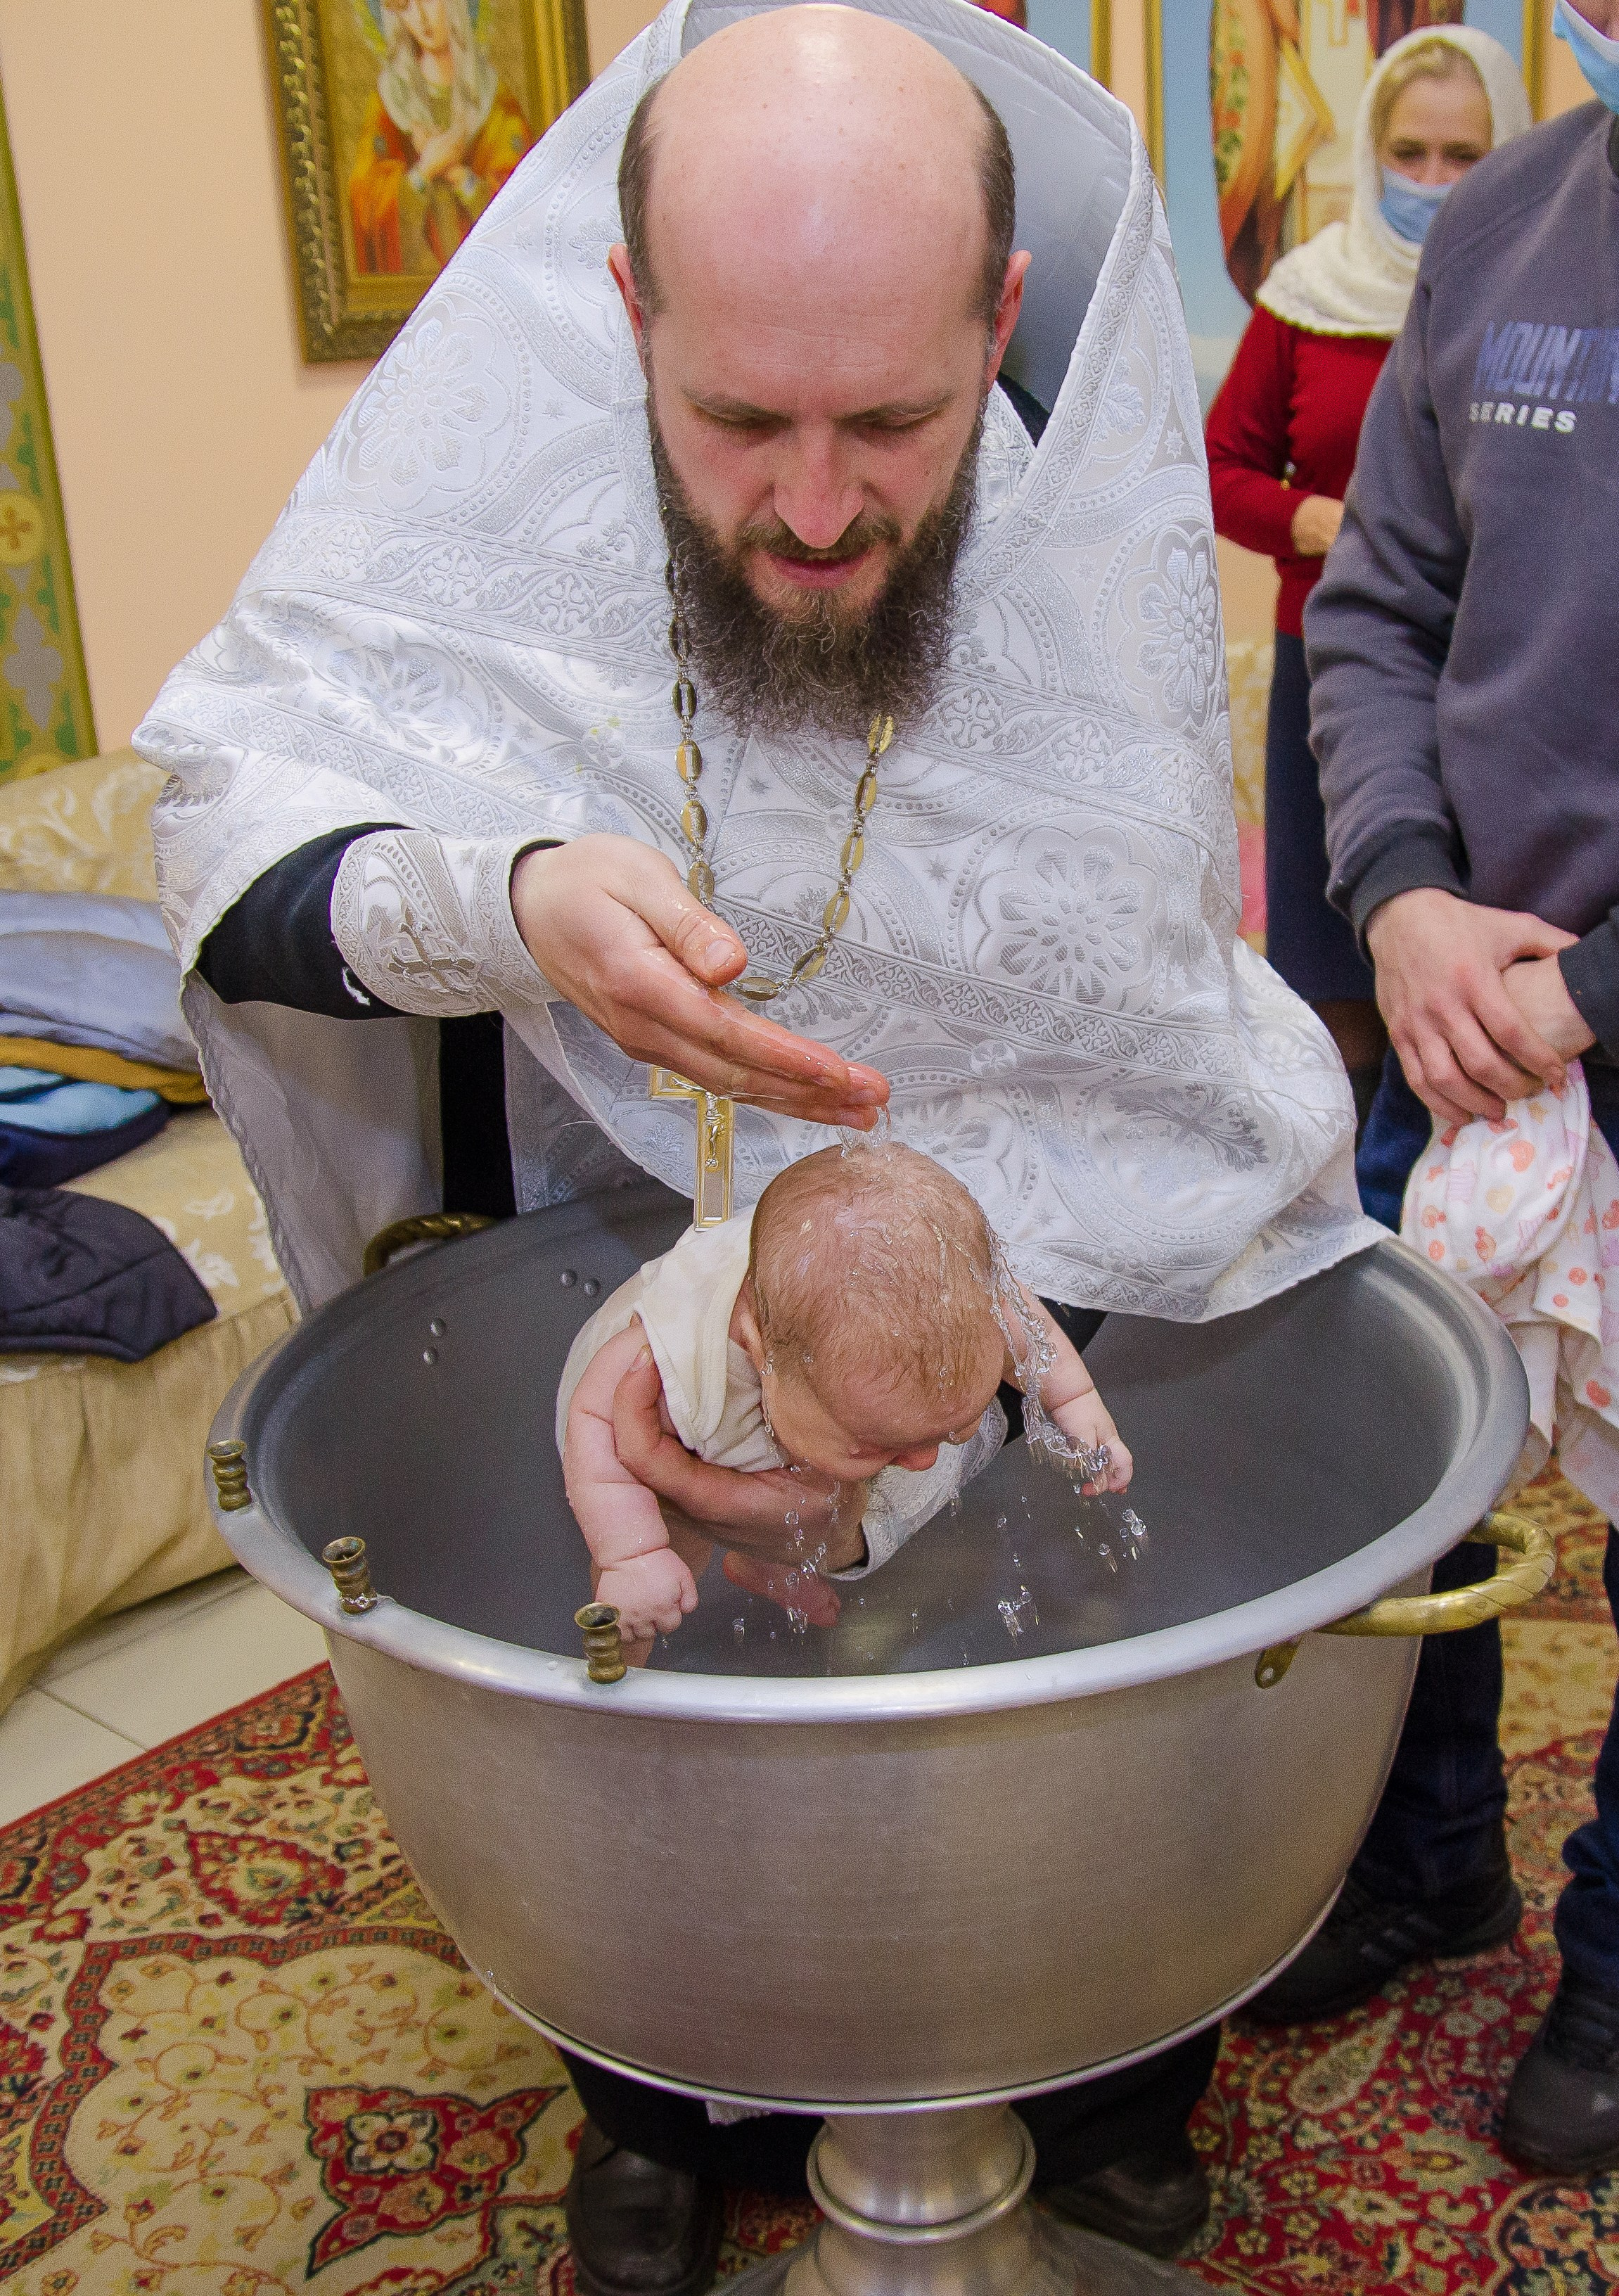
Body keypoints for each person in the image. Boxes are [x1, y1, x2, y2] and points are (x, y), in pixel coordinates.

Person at [139, 1, 1379, 2278]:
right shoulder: (483, 483)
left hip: (988, 1294)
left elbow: (1133, 1042)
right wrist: (507, 897)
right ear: (631, 323)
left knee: (1042, 1684)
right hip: (621, 1257)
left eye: (895, 422)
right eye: (737, 422)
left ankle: (1100, 2065)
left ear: (997, 326)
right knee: (657, 1713)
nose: (815, 511)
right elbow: (232, 848)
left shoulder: (1078, 531)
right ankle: (650, 2087)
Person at [1250, 0, 1619, 2178]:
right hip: (1461, 1010)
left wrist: (1592, 984)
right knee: (1400, 1472)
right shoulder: (1496, 224)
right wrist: (1391, 897)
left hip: (1562, 996)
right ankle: (1427, 1854)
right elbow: (1375, 602)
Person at [1206, 28, 1530, 1130]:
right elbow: (1215, 467)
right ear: (1367, 152)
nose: (1432, 183)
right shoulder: (1307, 298)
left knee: (1463, 982)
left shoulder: (1530, 305)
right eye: (1410, 152)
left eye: (1464, 157)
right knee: (1330, 974)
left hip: (1488, 683)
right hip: (1332, 675)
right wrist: (1314, 520)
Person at [560, 1140, 1131, 1648]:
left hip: (798, 1398)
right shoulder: (672, 1363)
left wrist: (1075, 1401)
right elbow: (594, 1420)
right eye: (872, 1443)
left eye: (952, 1432)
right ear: (758, 1349)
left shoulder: (951, 1301)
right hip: (652, 1439)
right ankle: (622, 1653)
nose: (926, 1462)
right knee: (670, 1540)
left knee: (832, 1475)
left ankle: (774, 1561)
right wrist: (630, 1552)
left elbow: (1016, 1318)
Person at [349, 0, 533, 274]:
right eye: (407, 5)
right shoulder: (390, 103)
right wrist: (424, 171)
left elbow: (527, 208)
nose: (421, 17)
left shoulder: (496, 103)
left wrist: (460, 175)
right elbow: (366, 207)